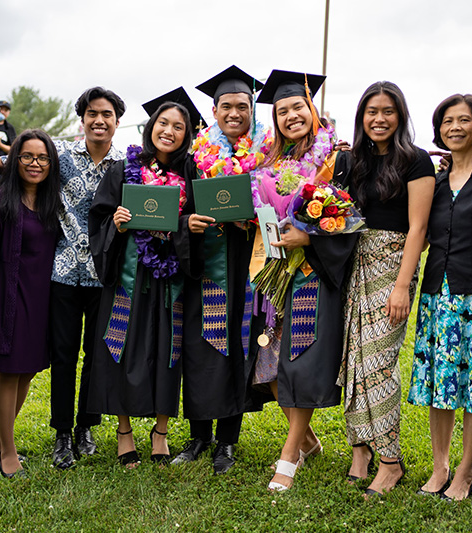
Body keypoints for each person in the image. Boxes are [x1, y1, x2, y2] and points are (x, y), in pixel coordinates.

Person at [249, 70, 356, 491]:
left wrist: (308, 235)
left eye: (298, 107)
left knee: (299, 358)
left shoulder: (337, 159)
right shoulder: (269, 165)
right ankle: (308, 441)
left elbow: (347, 218)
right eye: (282, 111)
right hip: (273, 270)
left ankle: (288, 455)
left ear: (313, 110)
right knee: (268, 363)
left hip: (312, 271)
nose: (291, 115)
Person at [88, 87, 203, 467]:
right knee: (122, 346)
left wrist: (185, 224)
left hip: (171, 278)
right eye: (163, 123)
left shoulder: (192, 172)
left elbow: (198, 220)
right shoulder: (125, 170)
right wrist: (117, 225)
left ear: (188, 134)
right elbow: (99, 218)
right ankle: (124, 432)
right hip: (129, 275)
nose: (169, 131)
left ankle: (161, 432)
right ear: (151, 126)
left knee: (168, 350)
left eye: (179, 126)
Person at [407, 94, 472, 501]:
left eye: (463, 120)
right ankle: (440, 467)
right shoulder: (433, 182)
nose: (455, 127)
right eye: (448, 120)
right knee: (440, 384)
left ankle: (465, 473)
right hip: (437, 295)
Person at [334, 81, 435, 498]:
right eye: (371, 111)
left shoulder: (415, 161)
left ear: (400, 116)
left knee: (377, 363)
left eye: (388, 111)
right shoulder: (348, 161)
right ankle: (361, 451)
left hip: (392, 263)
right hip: (351, 265)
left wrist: (400, 285)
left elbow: (419, 228)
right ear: (361, 116)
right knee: (354, 360)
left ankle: (390, 461)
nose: (379, 119)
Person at [171, 66, 272, 474]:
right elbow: (177, 208)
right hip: (205, 266)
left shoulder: (268, 155)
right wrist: (187, 224)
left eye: (242, 106)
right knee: (200, 346)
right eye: (226, 106)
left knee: (239, 345)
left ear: (252, 109)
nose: (234, 113)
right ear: (213, 110)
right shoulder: (195, 156)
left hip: (248, 265)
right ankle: (199, 436)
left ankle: (227, 442)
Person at [48, 87, 125, 469]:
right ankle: (62, 432)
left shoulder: (127, 165)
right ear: (82, 118)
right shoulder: (60, 157)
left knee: (95, 356)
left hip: (105, 276)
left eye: (106, 114)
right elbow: (21, 162)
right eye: (92, 113)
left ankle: (86, 427)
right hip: (62, 271)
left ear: (116, 121)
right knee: (63, 356)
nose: (99, 120)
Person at [0, 130, 61, 478]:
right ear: (15, 160)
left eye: (42, 158)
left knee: (28, 368)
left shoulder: (54, 201)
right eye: (27, 156)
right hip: (10, 293)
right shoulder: (0, 200)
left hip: (43, 295)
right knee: (9, 369)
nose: (35, 164)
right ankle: (7, 453)